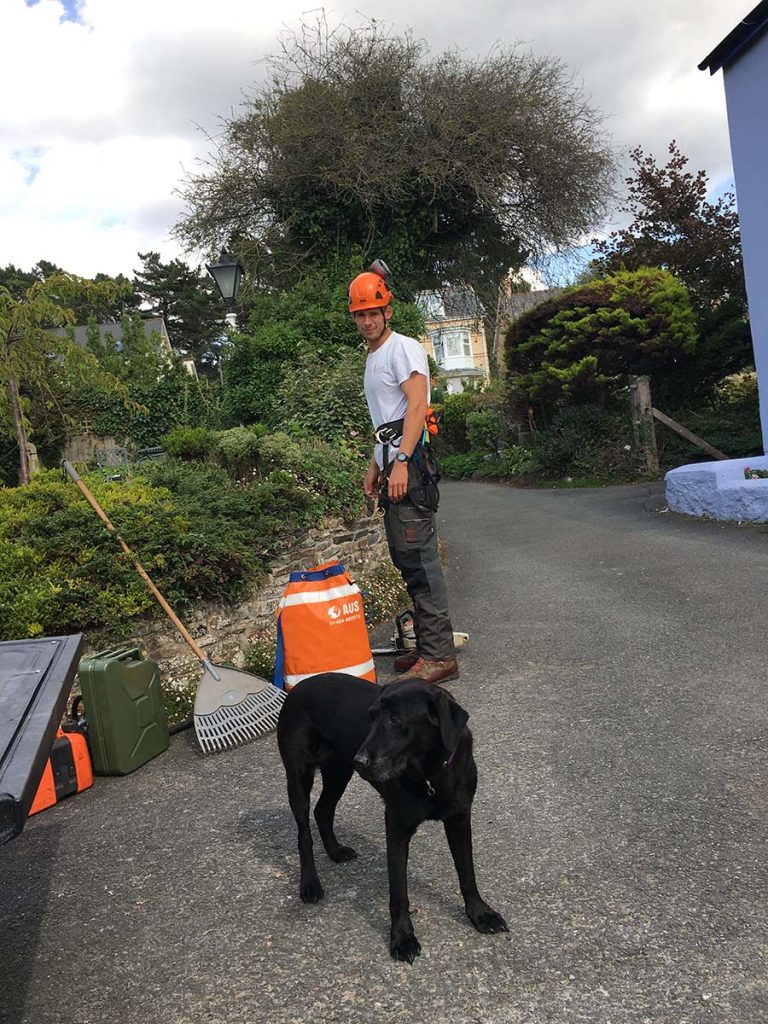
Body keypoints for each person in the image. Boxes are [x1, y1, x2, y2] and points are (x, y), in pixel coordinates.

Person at [349, 264, 459, 686]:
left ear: (387, 311)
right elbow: (386, 418)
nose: (367, 320)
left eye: (374, 312)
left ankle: (440, 656)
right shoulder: (374, 356)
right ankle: (425, 646)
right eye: (360, 314)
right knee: (405, 557)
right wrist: (375, 464)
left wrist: (400, 462)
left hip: (409, 466)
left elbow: (415, 408)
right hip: (394, 461)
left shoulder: (403, 349)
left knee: (421, 559)